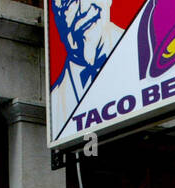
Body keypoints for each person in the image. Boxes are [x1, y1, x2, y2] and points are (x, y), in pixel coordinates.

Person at [49, 0, 124, 135]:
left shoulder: (146, 53)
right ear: (58, 23)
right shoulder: (56, 103)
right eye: (69, 2)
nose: (83, 9)